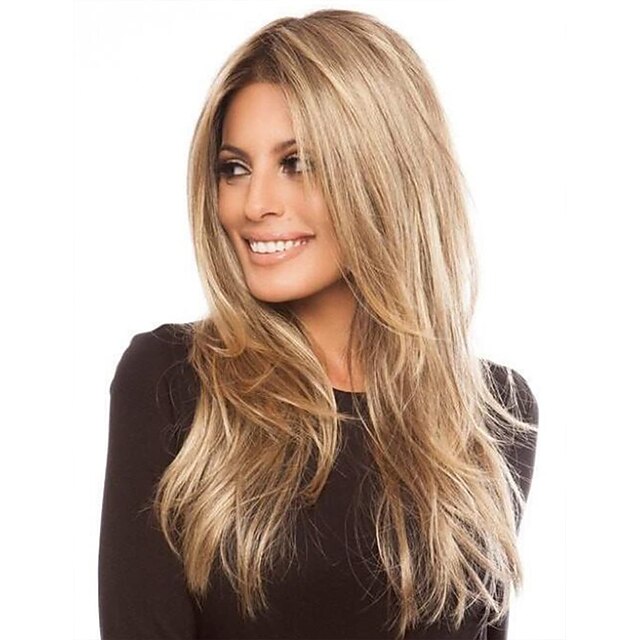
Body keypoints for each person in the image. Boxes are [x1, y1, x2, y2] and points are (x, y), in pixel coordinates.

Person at [98, 8, 539, 640]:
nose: (255, 205)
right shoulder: (173, 380)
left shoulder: (494, 414)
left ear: (386, 174)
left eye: (297, 162)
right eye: (234, 168)